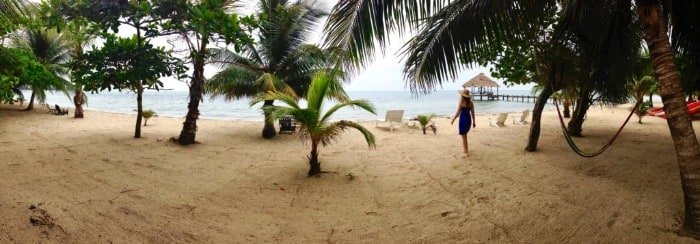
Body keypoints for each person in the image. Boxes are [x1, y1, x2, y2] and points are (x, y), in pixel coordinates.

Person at [450, 89, 476, 156]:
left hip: (463, 119)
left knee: (464, 136)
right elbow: (473, 113)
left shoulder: (461, 103)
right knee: (465, 135)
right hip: (468, 119)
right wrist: (474, 122)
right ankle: (465, 150)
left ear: (462, 96)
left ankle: (466, 152)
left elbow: (458, 113)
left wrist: (453, 119)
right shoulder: (471, 103)